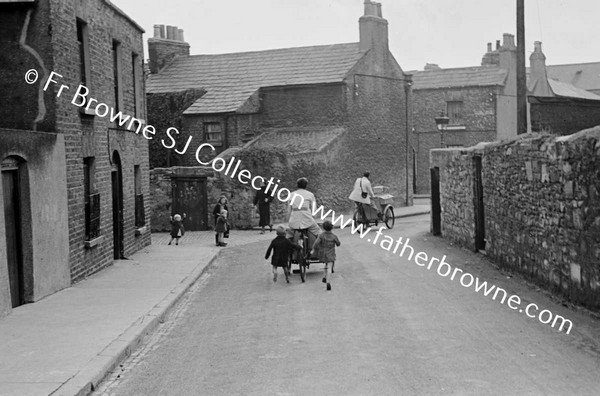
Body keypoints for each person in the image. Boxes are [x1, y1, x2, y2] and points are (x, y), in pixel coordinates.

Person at [287, 177, 321, 252]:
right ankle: (317, 250)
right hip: (307, 220)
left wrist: (290, 219)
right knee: (319, 232)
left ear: (297, 185)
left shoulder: (292, 194)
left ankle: (288, 252)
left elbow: (289, 210)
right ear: (306, 185)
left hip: (294, 220)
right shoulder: (310, 194)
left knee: (288, 234)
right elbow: (314, 208)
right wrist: (313, 216)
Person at [310, 220, 340, 291]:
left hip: (323, 254)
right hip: (331, 254)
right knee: (329, 267)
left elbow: (316, 243)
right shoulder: (334, 236)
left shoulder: (321, 235)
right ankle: (328, 281)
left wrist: (313, 249)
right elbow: (338, 244)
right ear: (331, 228)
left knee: (326, 264)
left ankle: (324, 276)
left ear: (323, 228)